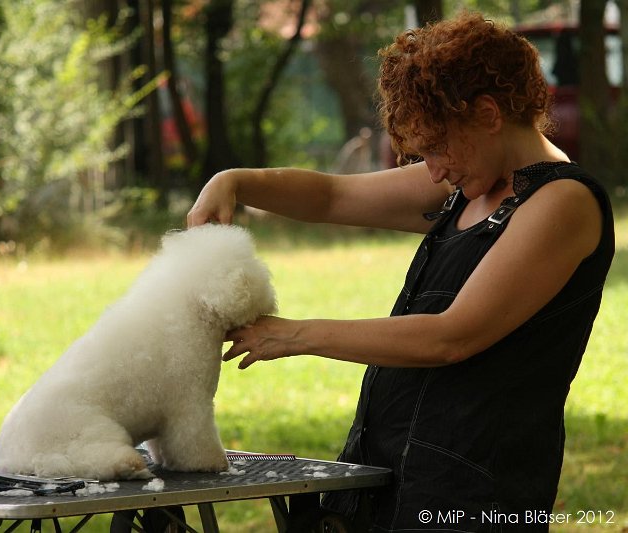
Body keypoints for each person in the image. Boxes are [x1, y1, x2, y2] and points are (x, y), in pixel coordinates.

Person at [187, 12, 614, 532]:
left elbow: (451, 337)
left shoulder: (561, 202)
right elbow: (333, 195)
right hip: (395, 474)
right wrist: (235, 181)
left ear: (487, 113)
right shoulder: (466, 185)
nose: (432, 170)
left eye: (436, 147)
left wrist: (294, 334)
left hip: (475, 498)